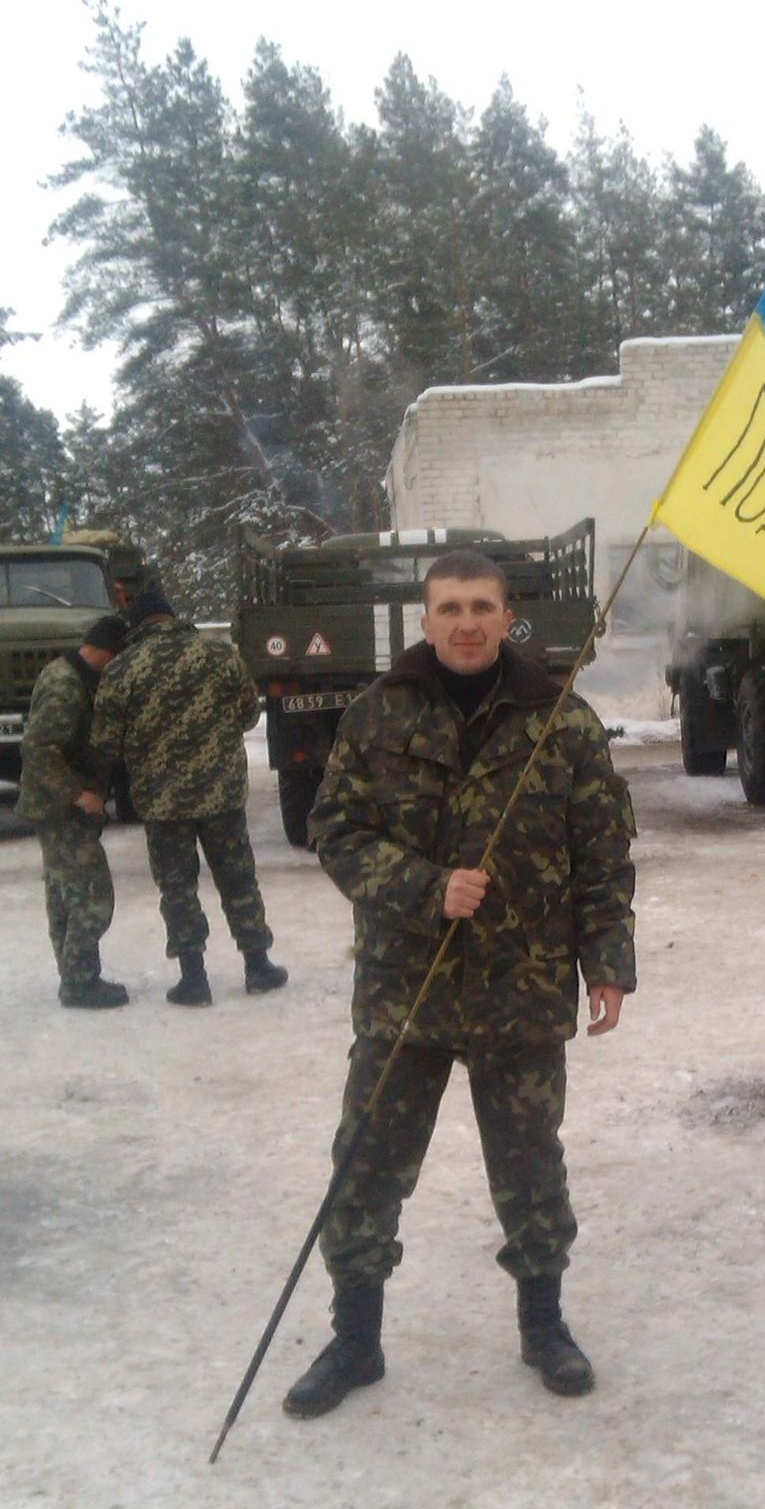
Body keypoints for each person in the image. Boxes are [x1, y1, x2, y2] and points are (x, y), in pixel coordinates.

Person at [283, 549, 636, 1419]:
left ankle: (543, 1325)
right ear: (425, 618)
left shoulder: (561, 720)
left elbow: (602, 853)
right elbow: (334, 830)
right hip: (407, 992)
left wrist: (609, 962)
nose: (466, 623)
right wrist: (424, 888)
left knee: (529, 1167)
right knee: (366, 1166)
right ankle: (355, 1339)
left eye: (482, 606)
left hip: (524, 989)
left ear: (507, 615)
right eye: (449, 608)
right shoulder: (377, 714)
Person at [89, 589, 288, 1006]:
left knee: (177, 888)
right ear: (171, 615)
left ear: (137, 624)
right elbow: (250, 713)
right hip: (223, 794)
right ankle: (258, 966)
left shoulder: (123, 668)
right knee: (238, 879)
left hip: (162, 802)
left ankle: (193, 979)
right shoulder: (218, 654)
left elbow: (106, 740)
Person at [17, 613, 131, 1009]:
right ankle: (81, 982)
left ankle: (75, 976)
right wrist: (80, 794)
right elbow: (38, 749)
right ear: (103, 651)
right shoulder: (66, 685)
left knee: (64, 893)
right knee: (91, 894)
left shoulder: (69, 673)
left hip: (54, 806)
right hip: (62, 808)